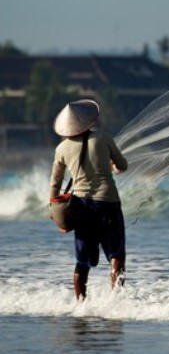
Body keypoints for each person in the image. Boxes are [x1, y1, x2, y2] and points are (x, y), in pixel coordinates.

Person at [49, 99, 128, 300]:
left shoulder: (62, 149)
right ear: (88, 121)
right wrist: (110, 167)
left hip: (81, 206)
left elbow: (55, 184)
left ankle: (81, 306)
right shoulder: (103, 138)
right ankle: (115, 302)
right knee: (116, 255)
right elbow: (122, 166)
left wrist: (53, 208)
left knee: (82, 262)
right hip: (108, 201)